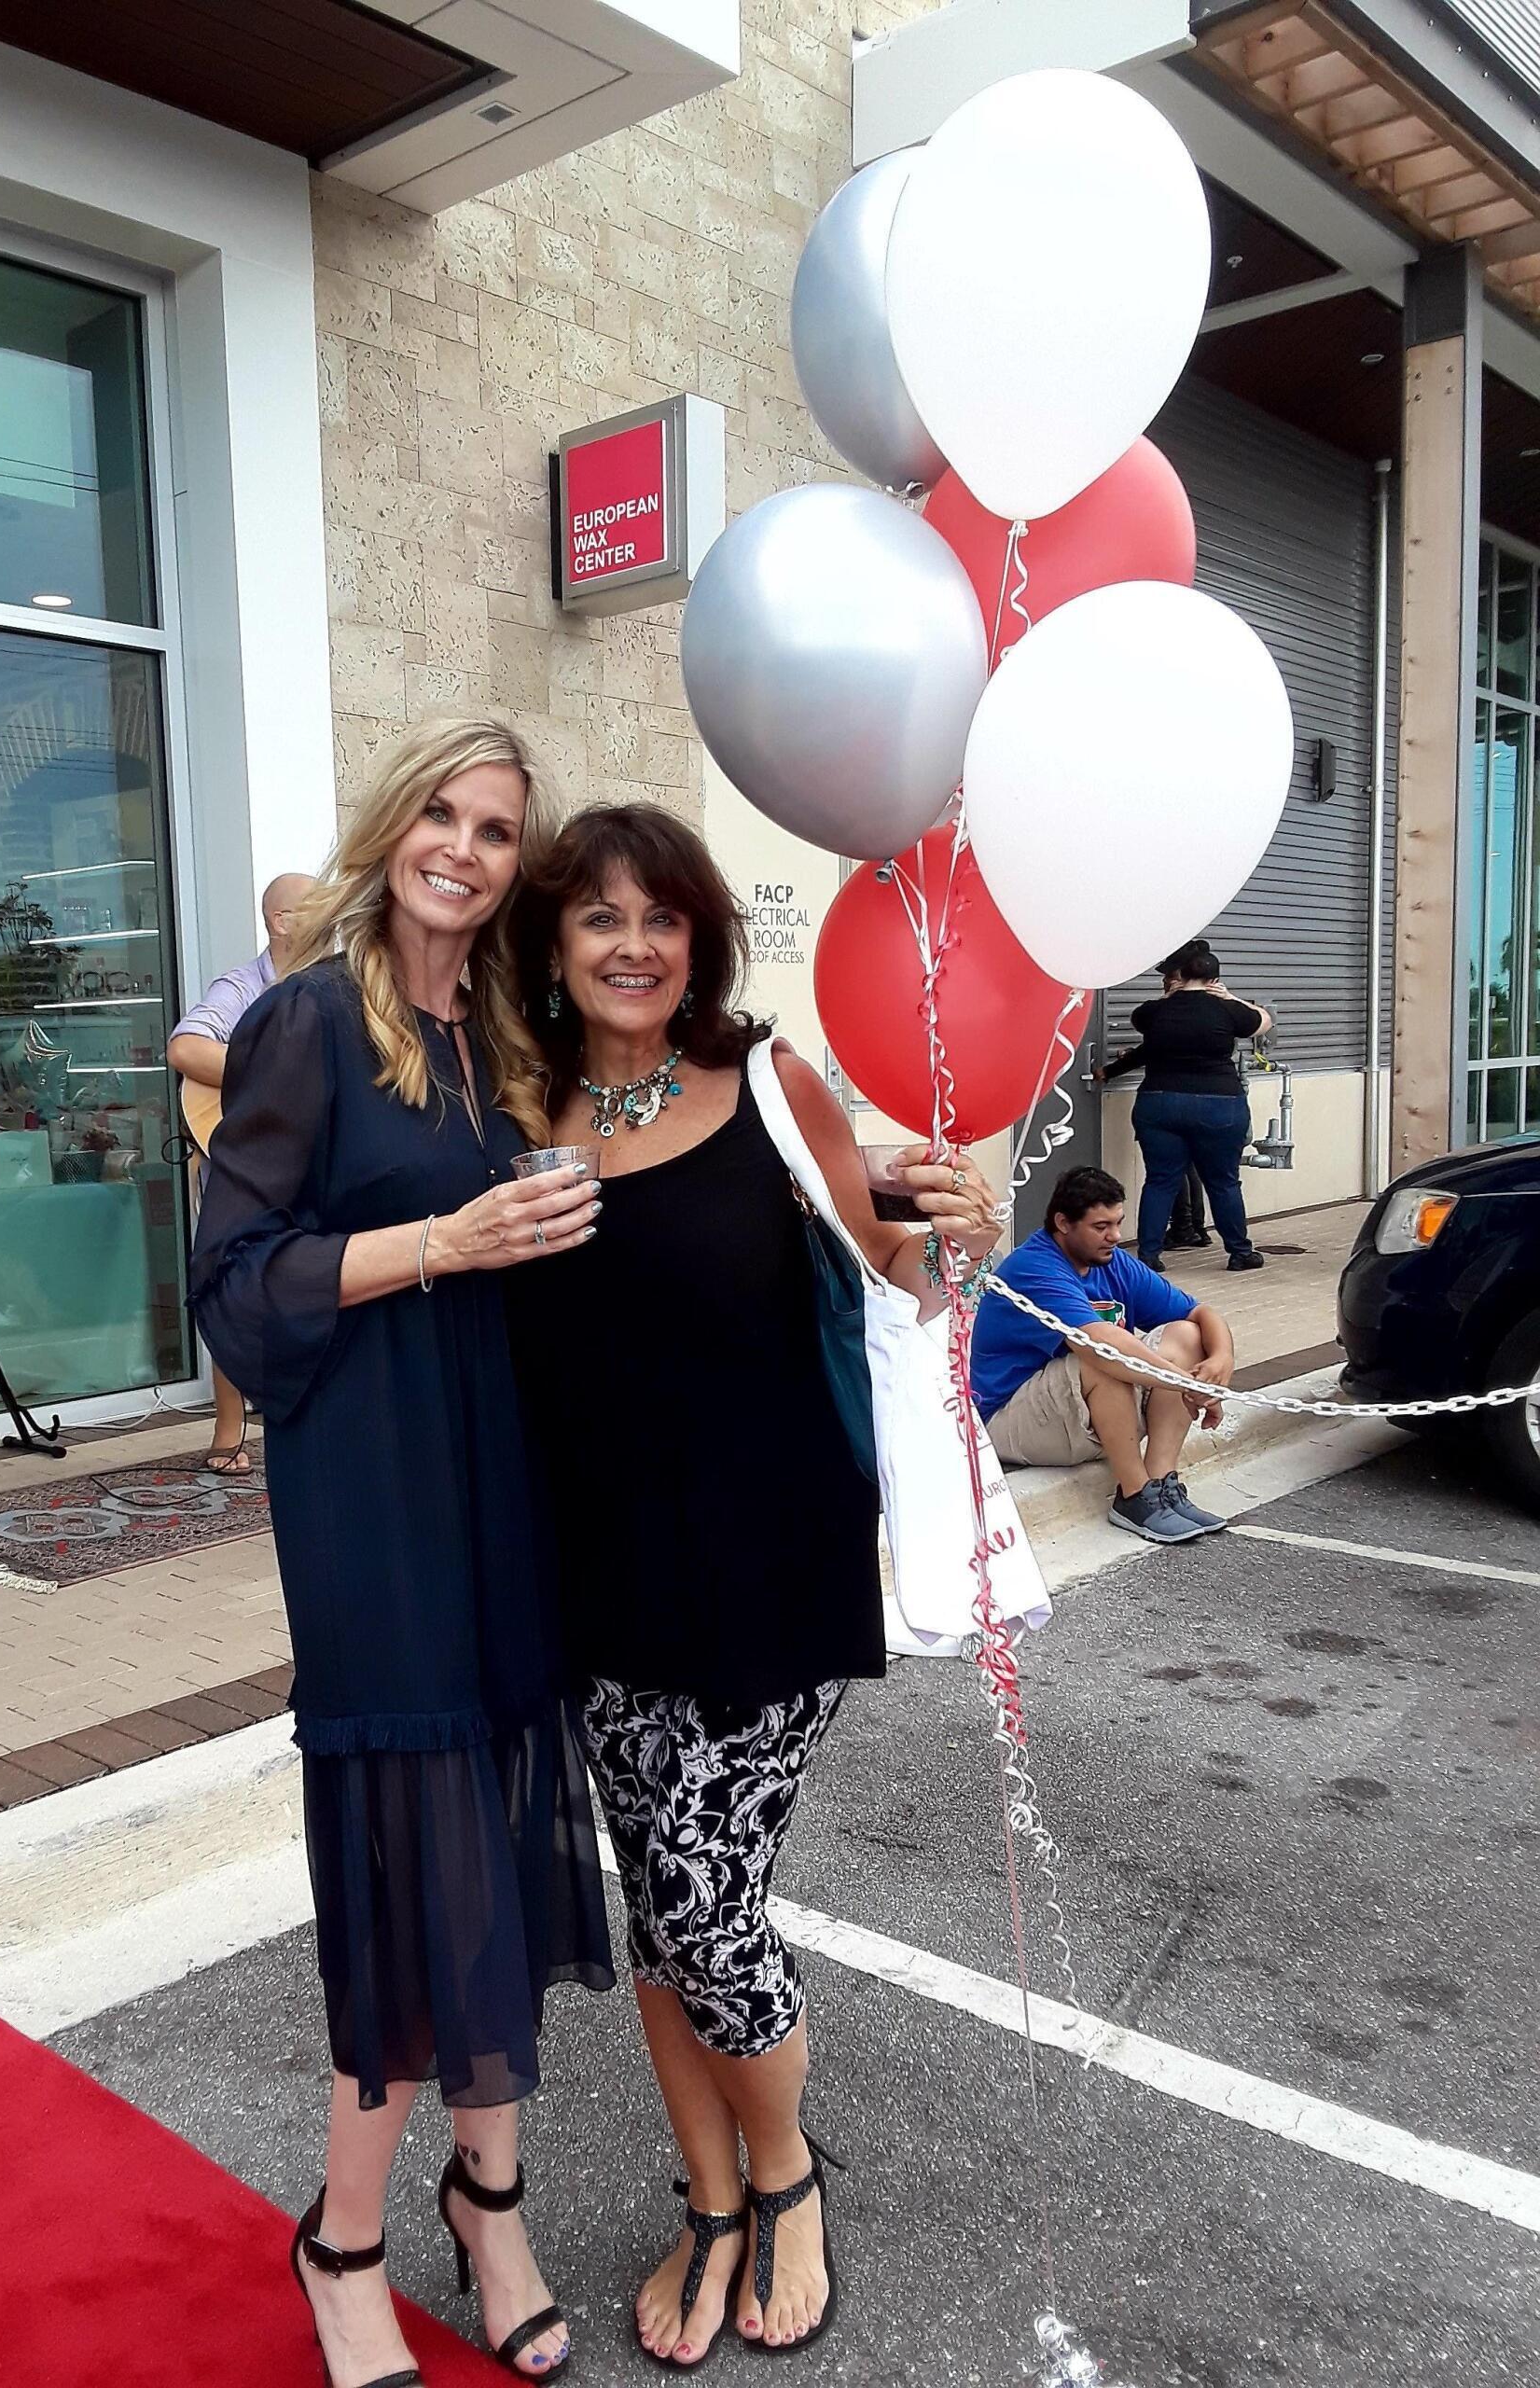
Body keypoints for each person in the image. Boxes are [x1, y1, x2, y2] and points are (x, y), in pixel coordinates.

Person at [506, 805, 998, 2367]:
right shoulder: (521, 1117)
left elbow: (891, 1270)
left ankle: (786, 2180)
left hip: (771, 1561)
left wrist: (961, 1234)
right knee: (661, 1910)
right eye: (598, 918)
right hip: (599, 1576)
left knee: (712, 1908)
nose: (632, 942)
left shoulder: (771, 1089)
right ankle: (708, 2200)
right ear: (557, 946)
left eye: (660, 915)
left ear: (702, 937)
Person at [188, 720, 614, 2388]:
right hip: (371, 1499)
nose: (466, 847)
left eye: (498, 828)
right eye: (442, 812)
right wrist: (441, 1240)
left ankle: (486, 2198)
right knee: (405, 1860)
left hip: (502, 1486)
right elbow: (237, 1281)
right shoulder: (308, 1019)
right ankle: (343, 2239)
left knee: (502, 1840)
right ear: (393, 825)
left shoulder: (501, 1028)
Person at [971, 1166, 1237, 1545]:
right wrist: (1189, 1386)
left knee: (1188, 1335)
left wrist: (1220, 1362)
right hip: (1006, 1420)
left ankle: (1160, 1486)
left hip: (1071, 1414)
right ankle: (1133, 1496)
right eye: (1101, 1227)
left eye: (1118, 1223)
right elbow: (1100, 1343)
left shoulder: (1113, 1261)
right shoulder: (1035, 1267)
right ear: (1063, 1223)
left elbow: (1199, 1313)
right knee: (1100, 1358)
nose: (1114, 1236)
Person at [168, 872, 314, 1472]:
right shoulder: (242, 987)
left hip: (315, 1158)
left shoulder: (341, 984)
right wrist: (271, 1071)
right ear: (279, 922)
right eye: (317, 907)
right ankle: (230, 1430)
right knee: (231, 1279)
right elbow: (187, 1048)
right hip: (244, 1161)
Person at [1099, 939, 1270, 1272]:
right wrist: (1230, 996)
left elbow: (1142, 1021)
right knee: (1223, 1182)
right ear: (1213, 980)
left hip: (1160, 1103)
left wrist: (1171, 996)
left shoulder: (1154, 1012)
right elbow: (1263, 1022)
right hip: (1219, 1104)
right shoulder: (1229, 1010)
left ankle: (1148, 1256)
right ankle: (1239, 1252)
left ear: (1177, 976)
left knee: (1160, 1180)